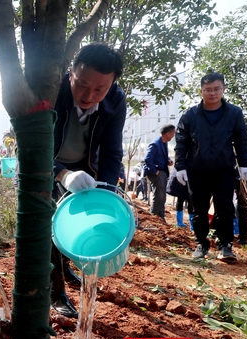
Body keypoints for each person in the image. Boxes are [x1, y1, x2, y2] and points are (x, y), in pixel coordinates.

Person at [51, 43, 126, 318]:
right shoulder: (51, 89)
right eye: (82, 85)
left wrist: (107, 193)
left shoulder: (116, 100)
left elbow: (111, 151)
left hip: (83, 167)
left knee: (80, 218)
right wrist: (61, 173)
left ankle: (65, 267)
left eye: (99, 89)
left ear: (112, 85)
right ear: (71, 72)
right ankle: (54, 290)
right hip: (46, 164)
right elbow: (33, 145)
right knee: (52, 220)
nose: (88, 95)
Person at [175, 72, 247, 263]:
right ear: (201, 91)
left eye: (216, 89)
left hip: (223, 170)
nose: (212, 93)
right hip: (197, 170)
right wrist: (180, 166)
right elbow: (181, 141)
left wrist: (244, 163)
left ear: (223, 90)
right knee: (198, 209)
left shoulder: (234, 113)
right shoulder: (190, 115)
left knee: (225, 208)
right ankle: (201, 243)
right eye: (208, 89)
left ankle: (225, 245)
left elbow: (241, 140)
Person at [143, 124, 175, 221]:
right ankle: (153, 218)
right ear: (168, 134)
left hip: (163, 172)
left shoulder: (164, 143)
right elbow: (147, 158)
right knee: (158, 197)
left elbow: (162, 156)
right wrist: (154, 171)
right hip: (157, 173)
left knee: (162, 198)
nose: (174, 135)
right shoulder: (155, 144)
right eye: (173, 133)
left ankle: (161, 218)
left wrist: (168, 160)